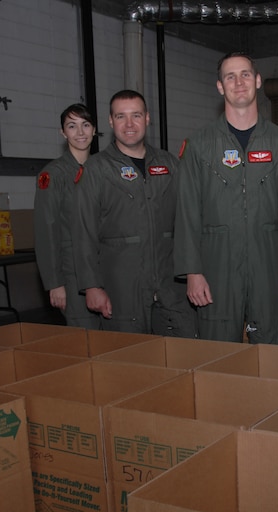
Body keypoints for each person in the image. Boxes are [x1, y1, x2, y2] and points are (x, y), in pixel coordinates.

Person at [174, 52, 278, 344]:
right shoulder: (198, 146)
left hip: (271, 268)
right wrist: (192, 272)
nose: (239, 83)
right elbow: (187, 212)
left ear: (258, 81)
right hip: (217, 269)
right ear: (219, 86)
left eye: (245, 74)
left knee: (272, 354)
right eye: (230, 76)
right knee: (218, 357)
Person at [71, 90, 196, 336]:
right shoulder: (96, 169)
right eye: (121, 116)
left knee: (180, 356)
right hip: (122, 288)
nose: (129, 124)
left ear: (147, 118)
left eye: (136, 115)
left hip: (170, 287)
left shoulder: (170, 165)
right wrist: (92, 286)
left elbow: (188, 221)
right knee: (129, 361)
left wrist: (195, 271)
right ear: (110, 121)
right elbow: (83, 232)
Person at [33, 103, 100, 328]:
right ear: (63, 133)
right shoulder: (52, 175)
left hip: (103, 269)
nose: (80, 133)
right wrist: (55, 283)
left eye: (85, 125)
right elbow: (47, 230)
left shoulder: (102, 170)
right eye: (72, 126)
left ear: (94, 129)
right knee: (85, 336)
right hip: (72, 274)